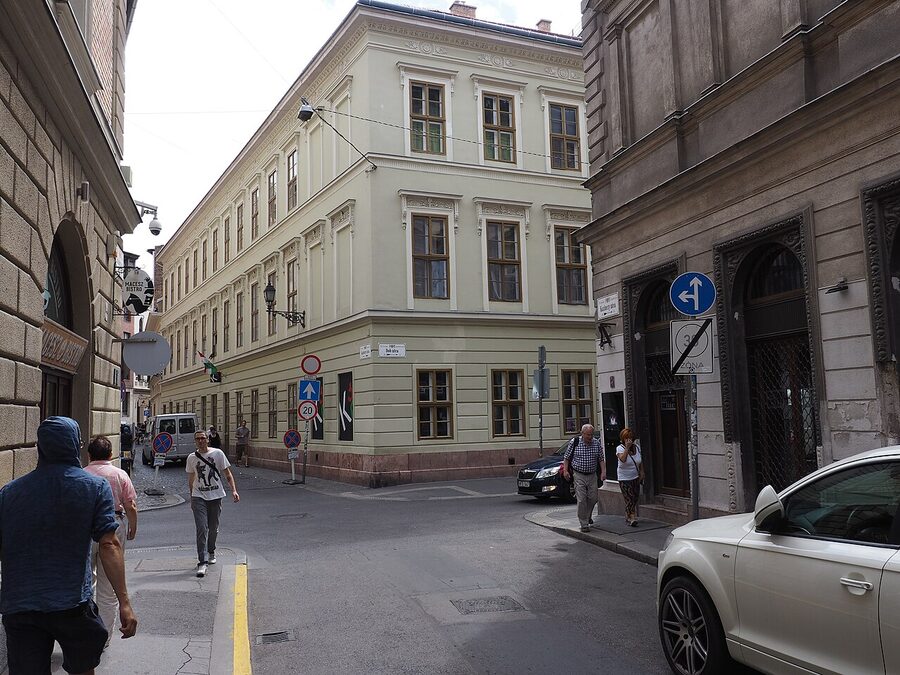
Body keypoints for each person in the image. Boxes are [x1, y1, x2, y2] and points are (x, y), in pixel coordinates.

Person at [0, 417, 137, 674]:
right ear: (75, 446)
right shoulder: (94, 487)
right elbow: (109, 545)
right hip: (72, 604)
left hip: (21, 606)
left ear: (40, 447)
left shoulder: (9, 493)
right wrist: (124, 603)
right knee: (83, 668)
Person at [84, 435, 138, 646]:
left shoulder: (82, 474)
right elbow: (130, 505)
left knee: (86, 583)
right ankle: (103, 638)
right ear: (110, 454)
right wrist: (133, 527)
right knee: (108, 587)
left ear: (89, 455)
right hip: (114, 526)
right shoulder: (119, 474)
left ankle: (84, 631)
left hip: (86, 529)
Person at [187, 430, 240, 578]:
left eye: (203, 438)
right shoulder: (191, 458)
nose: (200, 441)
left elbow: (227, 474)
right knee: (202, 528)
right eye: (197, 439)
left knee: (213, 528)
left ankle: (211, 550)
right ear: (195, 441)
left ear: (207, 440)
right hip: (199, 496)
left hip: (216, 496)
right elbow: (191, 479)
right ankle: (202, 562)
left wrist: (234, 491)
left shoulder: (218, 454)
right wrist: (191, 498)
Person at [561, 423, 606, 532]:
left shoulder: (596, 443)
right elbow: (566, 458)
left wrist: (603, 472)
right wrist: (566, 471)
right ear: (582, 434)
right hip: (579, 474)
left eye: (591, 435)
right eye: (588, 435)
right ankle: (584, 523)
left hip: (592, 475)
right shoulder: (575, 442)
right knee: (581, 500)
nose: (590, 437)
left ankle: (587, 515)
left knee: (593, 498)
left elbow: (601, 458)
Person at [615, 427, 644, 527]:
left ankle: (628, 513)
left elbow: (640, 461)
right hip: (624, 478)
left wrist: (642, 472)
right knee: (629, 498)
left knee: (635, 497)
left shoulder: (637, 447)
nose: (629, 440)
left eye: (631, 438)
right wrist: (627, 448)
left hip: (635, 476)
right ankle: (632, 517)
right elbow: (622, 459)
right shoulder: (620, 448)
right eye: (627, 438)